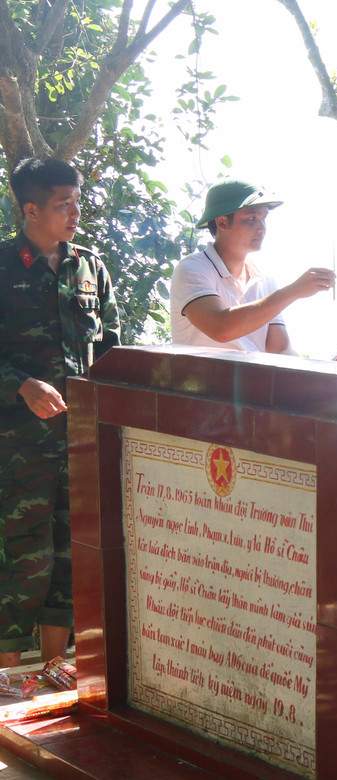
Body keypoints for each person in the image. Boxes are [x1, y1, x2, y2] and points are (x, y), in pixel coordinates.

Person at [0, 157, 121, 666]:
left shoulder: (90, 266)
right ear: (30, 209)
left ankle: (54, 669)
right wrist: (22, 386)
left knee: (73, 552)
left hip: (81, 438)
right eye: (61, 203)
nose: (75, 211)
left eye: (76, 199)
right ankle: (6, 679)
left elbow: (112, 345)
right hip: (17, 444)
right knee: (18, 557)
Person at [170, 180, 334, 353]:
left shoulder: (265, 280)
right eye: (252, 219)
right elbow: (221, 329)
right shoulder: (192, 269)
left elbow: (280, 350)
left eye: (264, 219)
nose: (262, 229)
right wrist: (294, 291)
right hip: (199, 380)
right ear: (222, 223)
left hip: (252, 380)